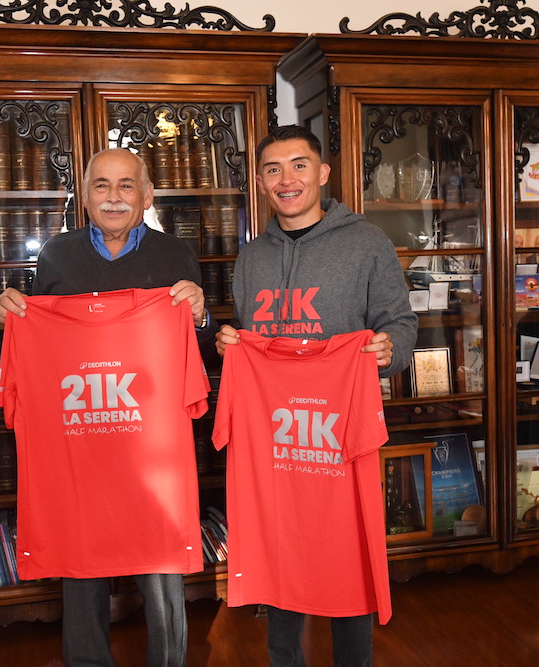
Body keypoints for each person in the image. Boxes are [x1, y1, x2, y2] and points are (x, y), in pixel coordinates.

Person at [0, 147, 211, 667]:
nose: (114, 197)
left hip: (150, 443)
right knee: (80, 557)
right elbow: (45, 338)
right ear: (85, 197)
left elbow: (194, 350)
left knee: (160, 559)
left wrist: (200, 315)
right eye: (101, 185)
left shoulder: (176, 256)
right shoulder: (57, 255)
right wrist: (14, 316)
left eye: (126, 185)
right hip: (80, 438)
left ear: (147, 195)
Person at [216, 125, 418, 666]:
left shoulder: (367, 243)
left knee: (346, 556)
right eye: (273, 169)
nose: (287, 179)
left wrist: (388, 349)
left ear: (323, 173)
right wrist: (229, 343)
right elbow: (248, 337)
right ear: (261, 182)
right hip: (273, 440)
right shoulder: (251, 257)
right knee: (278, 551)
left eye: (299, 165)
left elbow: (401, 323)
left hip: (340, 433)